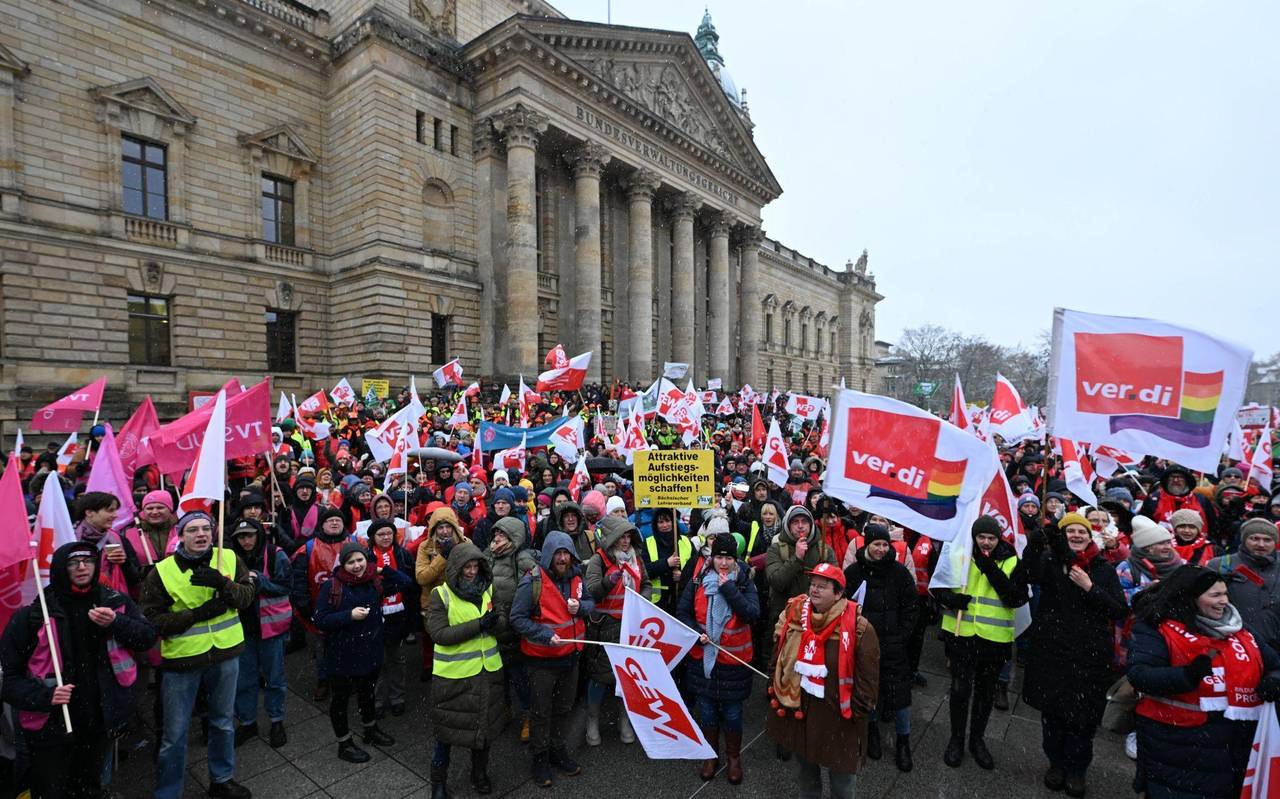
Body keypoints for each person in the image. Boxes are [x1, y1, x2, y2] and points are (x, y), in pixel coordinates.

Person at [1, 541, 157, 799]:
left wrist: (117, 623)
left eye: (88, 561)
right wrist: (44, 696)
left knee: (89, 787)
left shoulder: (114, 602)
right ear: (61, 568)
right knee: (51, 790)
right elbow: (9, 681)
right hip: (50, 726)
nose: (82, 567)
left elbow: (147, 638)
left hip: (99, 718)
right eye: (73, 562)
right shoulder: (32, 616)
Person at [1128, 566, 1280, 798]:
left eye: (1225, 594)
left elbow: (1274, 664)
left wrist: (1273, 680)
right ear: (1190, 597)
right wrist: (1185, 676)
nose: (1224, 601)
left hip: (1236, 746)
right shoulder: (1157, 627)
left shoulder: (1240, 629)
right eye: (1215, 595)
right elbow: (1139, 675)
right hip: (1179, 744)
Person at [139, 510, 257, 799]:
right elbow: (153, 620)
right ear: (180, 535)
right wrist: (197, 614)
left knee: (222, 722)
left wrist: (222, 584)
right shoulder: (162, 571)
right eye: (193, 529)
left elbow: (246, 598)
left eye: (206, 528)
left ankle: (222, 779)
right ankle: (168, 793)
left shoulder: (227, 558)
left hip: (226, 654)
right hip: (183, 662)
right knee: (175, 734)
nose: (201, 534)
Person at [1022, 513, 1128, 797]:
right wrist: (1033, 545)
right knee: (1053, 715)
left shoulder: (1103, 569)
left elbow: (1118, 609)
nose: (1077, 536)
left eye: (1082, 531)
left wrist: (1089, 587)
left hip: (1089, 656)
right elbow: (1029, 575)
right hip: (1053, 651)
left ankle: (1077, 769)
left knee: (1082, 718)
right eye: (1071, 532)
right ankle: (1056, 763)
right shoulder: (1051, 562)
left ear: (1090, 536)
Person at [767, 563, 879, 799]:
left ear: (838, 593)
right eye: (812, 585)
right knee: (807, 780)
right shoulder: (795, 615)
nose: (814, 590)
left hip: (838, 721)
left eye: (822, 586)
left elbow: (867, 683)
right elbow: (779, 654)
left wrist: (854, 713)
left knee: (842, 785)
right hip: (802, 716)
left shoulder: (859, 629)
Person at [931, 515, 1028, 770]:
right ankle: (956, 739)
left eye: (991, 538)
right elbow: (937, 588)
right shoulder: (958, 554)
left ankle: (977, 740)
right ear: (974, 537)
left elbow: (1016, 598)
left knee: (985, 694)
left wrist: (989, 567)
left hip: (994, 640)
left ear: (999, 538)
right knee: (960, 690)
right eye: (981, 537)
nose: (986, 542)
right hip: (961, 635)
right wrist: (951, 601)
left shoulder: (1011, 560)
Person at [510, 530, 593, 788]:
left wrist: (581, 608)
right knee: (540, 712)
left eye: (566, 552)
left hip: (571, 658)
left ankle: (557, 749)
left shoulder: (577, 578)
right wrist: (544, 635)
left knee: (563, 708)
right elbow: (517, 618)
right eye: (557, 553)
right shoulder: (532, 581)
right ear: (548, 555)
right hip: (542, 661)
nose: (562, 558)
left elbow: (591, 603)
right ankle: (539, 757)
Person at [313, 541, 410, 763]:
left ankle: (370, 730)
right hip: (342, 656)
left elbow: (406, 582)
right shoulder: (333, 586)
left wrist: (380, 569)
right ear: (343, 564)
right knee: (341, 699)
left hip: (370, 652)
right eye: (351, 562)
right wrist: (348, 616)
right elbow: (320, 619)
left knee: (367, 694)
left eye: (360, 560)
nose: (356, 566)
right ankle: (344, 742)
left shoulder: (373, 581)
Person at [677, 534, 760, 784]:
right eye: (719, 557)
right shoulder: (698, 580)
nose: (723, 563)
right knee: (707, 711)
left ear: (735, 560)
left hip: (735, 662)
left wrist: (729, 589)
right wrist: (696, 632)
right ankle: (710, 755)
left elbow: (752, 614)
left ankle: (733, 757)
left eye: (728, 558)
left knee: (733, 713)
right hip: (703, 660)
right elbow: (683, 612)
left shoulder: (744, 582)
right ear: (711, 557)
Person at [426, 541, 505, 797]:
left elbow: (501, 619)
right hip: (454, 678)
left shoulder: (489, 588)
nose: (471, 572)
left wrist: (495, 624)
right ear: (455, 569)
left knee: (483, 730)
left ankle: (479, 774)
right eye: (466, 567)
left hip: (487, 672)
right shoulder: (441, 594)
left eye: (475, 566)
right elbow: (439, 634)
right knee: (446, 734)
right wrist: (479, 625)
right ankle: (438, 783)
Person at [842, 523, 918, 771]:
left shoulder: (899, 573)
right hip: (864, 645)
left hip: (894, 643)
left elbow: (910, 607)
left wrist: (902, 635)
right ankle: (871, 731)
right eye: (877, 544)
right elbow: (844, 606)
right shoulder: (853, 572)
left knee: (900, 694)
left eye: (885, 545)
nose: (882, 549)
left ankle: (903, 741)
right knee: (868, 690)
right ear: (867, 545)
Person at [583, 515, 651, 746]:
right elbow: (591, 591)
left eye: (628, 536)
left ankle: (625, 720)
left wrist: (644, 600)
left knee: (627, 677)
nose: (625, 541)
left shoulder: (636, 558)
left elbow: (647, 584)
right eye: (621, 537)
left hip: (631, 625)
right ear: (612, 538)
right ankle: (592, 720)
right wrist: (608, 582)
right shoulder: (599, 560)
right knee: (600, 676)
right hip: (605, 626)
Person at [228, 518, 292, 749]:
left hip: (270, 629)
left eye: (250, 535)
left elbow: (286, 586)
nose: (246, 540)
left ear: (259, 535)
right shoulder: (228, 559)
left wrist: (261, 582)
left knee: (274, 678)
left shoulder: (276, 555)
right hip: (240, 630)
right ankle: (247, 722)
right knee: (244, 680)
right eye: (241, 537)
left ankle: (276, 720)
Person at [289, 506, 354, 701]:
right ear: (322, 525)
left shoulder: (355, 543)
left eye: (338, 520)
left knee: (348, 646)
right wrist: (305, 606)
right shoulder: (308, 549)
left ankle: (347, 679)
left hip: (349, 609)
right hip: (320, 611)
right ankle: (323, 680)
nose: (334, 523)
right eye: (329, 520)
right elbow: (299, 581)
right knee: (322, 648)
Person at [485, 516, 536, 740]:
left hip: (514, 628)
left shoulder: (522, 558)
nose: (497, 538)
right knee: (500, 675)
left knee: (518, 676)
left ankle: (528, 716)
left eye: (502, 534)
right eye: (496, 533)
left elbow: (533, 592)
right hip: (494, 626)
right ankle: (505, 710)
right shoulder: (488, 556)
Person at [366, 519, 416, 717]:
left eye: (389, 533)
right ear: (373, 537)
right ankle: (377, 700)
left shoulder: (403, 554)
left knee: (396, 659)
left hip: (398, 613)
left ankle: (397, 697)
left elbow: (409, 583)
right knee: (377, 661)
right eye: (381, 534)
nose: (386, 537)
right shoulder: (366, 556)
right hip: (375, 614)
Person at [1206, 518, 1280, 651]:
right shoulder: (1220, 565)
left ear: (1275, 543)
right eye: (1254, 538)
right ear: (1244, 540)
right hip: (1235, 646)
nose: (1261, 544)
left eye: (1267, 540)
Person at [415, 507, 466, 683]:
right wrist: (442, 557)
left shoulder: (466, 544)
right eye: (440, 527)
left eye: (448, 527)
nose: (444, 531)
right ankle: (430, 667)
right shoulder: (425, 547)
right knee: (432, 638)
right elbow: (422, 577)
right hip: (432, 602)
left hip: (459, 600)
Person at [765, 506, 837, 627]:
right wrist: (796, 558)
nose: (800, 526)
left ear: (811, 525)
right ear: (788, 526)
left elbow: (836, 584)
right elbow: (776, 581)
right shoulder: (775, 549)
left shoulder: (824, 549)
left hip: (817, 618)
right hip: (784, 618)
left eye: (804, 521)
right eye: (795, 522)